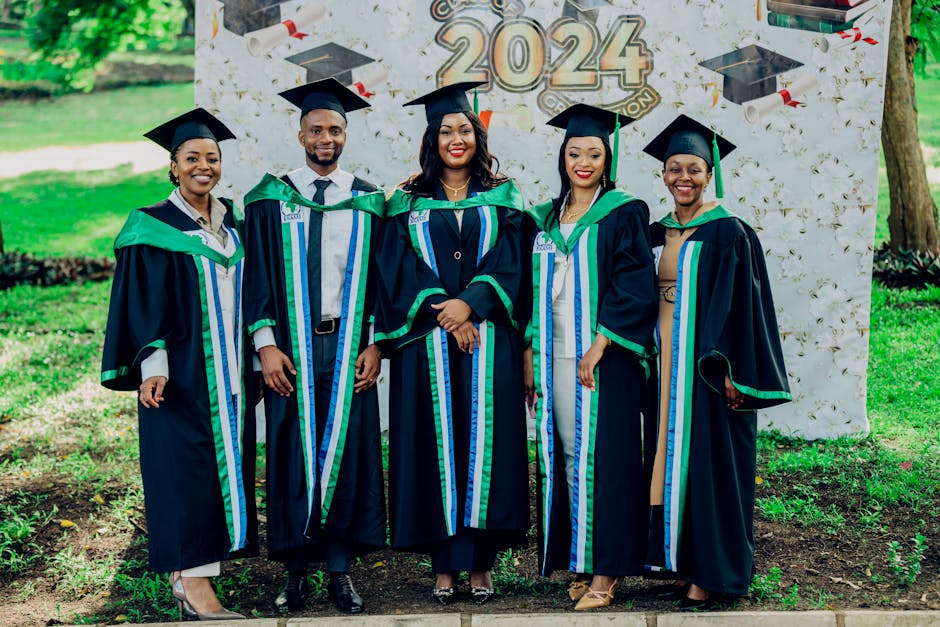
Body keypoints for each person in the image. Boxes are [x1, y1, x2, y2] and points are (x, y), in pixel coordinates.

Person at [373, 81, 529, 605]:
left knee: (486, 449)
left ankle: (480, 565)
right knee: (433, 448)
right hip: (427, 345)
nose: (455, 139)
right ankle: (442, 565)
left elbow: (514, 261)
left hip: (488, 344)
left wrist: (473, 304)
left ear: (478, 137)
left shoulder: (505, 196)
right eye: (445, 131)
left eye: (464, 130)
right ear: (431, 139)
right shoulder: (406, 200)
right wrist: (447, 309)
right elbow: (395, 266)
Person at [101, 108, 257, 620]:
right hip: (180, 375)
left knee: (215, 472)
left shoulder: (232, 223)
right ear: (173, 165)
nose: (203, 166)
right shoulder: (152, 226)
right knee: (184, 474)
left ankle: (191, 576)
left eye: (212, 157)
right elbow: (144, 303)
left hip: (228, 372)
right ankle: (195, 587)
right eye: (192, 157)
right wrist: (154, 367)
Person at [241, 78, 386, 615]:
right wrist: (265, 345)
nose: (327, 138)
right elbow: (255, 275)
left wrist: (376, 344)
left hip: (348, 347)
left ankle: (340, 571)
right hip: (290, 351)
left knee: (347, 450)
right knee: (290, 453)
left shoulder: (369, 201)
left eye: (335, 129)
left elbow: (382, 280)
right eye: (317, 129)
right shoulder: (270, 200)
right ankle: (295, 571)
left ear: (346, 134)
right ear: (300, 134)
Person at [641, 114, 792, 610]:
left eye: (694, 169)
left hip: (705, 370)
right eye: (674, 169)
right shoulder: (654, 232)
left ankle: (711, 575)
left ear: (710, 175)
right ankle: (681, 566)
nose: (682, 178)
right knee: (665, 462)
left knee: (709, 465)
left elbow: (743, 310)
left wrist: (729, 370)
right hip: (662, 365)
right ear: (663, 174)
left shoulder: (729, 233)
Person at [521, 104, 658, 611]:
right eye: (575, 153)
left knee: (609, 458)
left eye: (594, 154)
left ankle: (608, 570)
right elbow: (527, 289)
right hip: (554, 354)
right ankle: (581, 557)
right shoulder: (543, 218)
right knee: (568, 454)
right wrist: (530, 349)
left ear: (608, 159)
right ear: (563, 157)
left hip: (604, 358)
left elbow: (635, 282)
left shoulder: (624, 211)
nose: (583, 162)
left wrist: (601, 343)